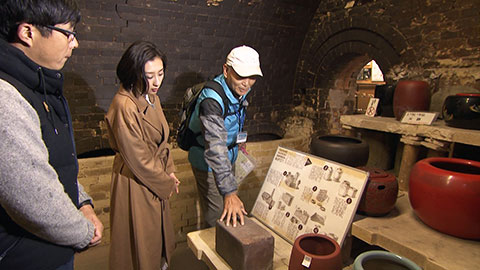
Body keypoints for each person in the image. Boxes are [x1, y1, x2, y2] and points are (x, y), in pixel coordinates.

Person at [0, 0, 103, 269]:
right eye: (68, 33)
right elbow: (32, 196)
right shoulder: (6, 97)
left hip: (52, 251)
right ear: (28, 33)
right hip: (25, 257)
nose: (75, 43)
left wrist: (82, 203)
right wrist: (83, 232)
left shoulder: (42, 84)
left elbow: (56, 163)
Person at [105, 40, 180, 270]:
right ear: (134, 73)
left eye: (161, 73)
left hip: (154, 177)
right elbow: (138, 158)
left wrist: (170, 171)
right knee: (139, 244)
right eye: (149, 76)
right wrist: (164, 181)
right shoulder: (124, 105)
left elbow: (162, 141)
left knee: (155, 239)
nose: (157, 82)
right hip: (135, 182)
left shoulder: (152, 97)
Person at [187, 45, 263, 228]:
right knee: (218, 219)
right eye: (241, 75)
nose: (246, 83)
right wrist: (230, 193)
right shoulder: (211, 100)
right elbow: (215, 147)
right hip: (209, 161)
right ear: (226, 70)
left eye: (252, 77)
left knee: (229, 213)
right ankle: (213, 252)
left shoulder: (238, 88)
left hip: (229, 156)